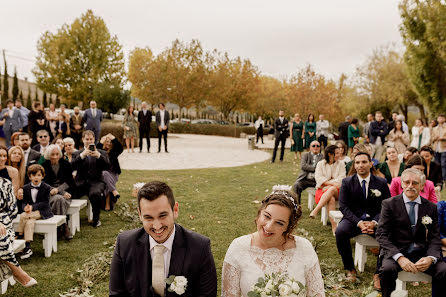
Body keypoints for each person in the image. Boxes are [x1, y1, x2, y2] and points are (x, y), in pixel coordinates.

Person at [109, 181, 217, 297]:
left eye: (162, 215)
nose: (157, 226)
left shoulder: (200, 247)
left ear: (175, 210)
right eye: (148, 218)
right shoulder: (124, 244)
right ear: (139, 214)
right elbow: (117, 294)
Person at [221, 186, 325, 297]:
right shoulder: (238, 248)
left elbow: (317, 294)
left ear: (288, 227)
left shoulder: (304, 248)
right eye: (267, 216)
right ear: (260, 212)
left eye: (279, 223)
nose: (269, 227)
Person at [376, 168, 446, 297]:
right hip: (396, 252)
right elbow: (381, 234)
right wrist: (400, 258)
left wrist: (430, 258)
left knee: (443, 269)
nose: (410, 186)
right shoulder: (389, 204)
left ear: (422, 185)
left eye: (414, 183)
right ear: (401, 184)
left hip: (422, 252)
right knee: (387, 269)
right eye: (407, 182)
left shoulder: (431, 207)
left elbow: (434, 237)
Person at [336, 152, 390, 288]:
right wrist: (359, 223)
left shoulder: (382, 182)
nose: (361, 165)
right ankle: (350, 269)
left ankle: (379, 273)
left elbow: (386, 206)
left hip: (376, 220)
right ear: (354, 165)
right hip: (354, 220)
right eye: (358, 162)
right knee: (340, 232)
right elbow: (343, 206)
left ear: (371, 163)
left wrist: (375, 222)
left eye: (364, 162)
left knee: (390, 234)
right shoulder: (347, 182)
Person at [0, 177, 37, 287]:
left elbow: (12, 209)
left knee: (2, 235)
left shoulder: (5, 183)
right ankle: (17, 271)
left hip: (4, 223)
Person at [71, 130, 110, 227]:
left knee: (95, 194)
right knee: (68, 193)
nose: (89, 141)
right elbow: (72, 167)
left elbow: (108, 166)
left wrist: (98, 156)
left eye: (91, 139)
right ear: (83, 140)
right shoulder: (77, 153)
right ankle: (68, 220)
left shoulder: (102, 153)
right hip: (80, 183)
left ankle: (96, 219)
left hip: (96, 182)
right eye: (87, 139)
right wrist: (82, 155)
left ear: (94, 139)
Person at [16, 164, 53, 259]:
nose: (36, 177)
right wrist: (25, 207)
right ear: (29, 177)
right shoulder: (26, 187)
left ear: (42, 176)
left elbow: (45, 203)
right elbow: (24, 202)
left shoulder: (46, 187)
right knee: (29, 222)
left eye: (39, 175)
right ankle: (27, 247)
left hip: (42, 212)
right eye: (33, 175)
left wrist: (32, 207)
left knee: (23, 216)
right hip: (30, 214)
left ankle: (19, 236)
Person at [310, 145, 346, 234]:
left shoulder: (341, 164)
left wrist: (328, 185)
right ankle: (334, 227)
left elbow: (341, 178)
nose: (339, 154)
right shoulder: (321, 164)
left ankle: (316, 210)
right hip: (322, 191)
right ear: (330, 154)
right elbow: (318, 178)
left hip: (338, 191)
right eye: (337, 153)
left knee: (333, 189)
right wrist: (331, 184)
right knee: (331, 199)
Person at [41, 144, 74, 239]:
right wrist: (57, 192)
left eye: (57, 154)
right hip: (49, 194)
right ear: (48, 155)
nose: (55, 157)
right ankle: (64, 226)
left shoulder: (66, 164)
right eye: (52, 154)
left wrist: (60, 191)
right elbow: (44, 183)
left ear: (60, 154)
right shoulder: (43, 166)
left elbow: (69, 182)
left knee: (59, 199)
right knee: (58, 199)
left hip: (65, 194)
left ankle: (59, 227)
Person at [292, 140, 323, 205]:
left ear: (320, 148)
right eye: (313, 146)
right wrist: (316, 168)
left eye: (317, 146)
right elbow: (303, 166)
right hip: (305, 179)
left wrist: (310, 168)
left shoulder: (322, 157)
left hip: (317, 180)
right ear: (310, 147)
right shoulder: (305, 155)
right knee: (296, 185)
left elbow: (322, 169)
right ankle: (297, 207)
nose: (315, 147)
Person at [97, 133, 123, 211]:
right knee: (105, 174)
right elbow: (96, 149)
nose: (108, 143)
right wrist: (101, 141)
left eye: (110, 142)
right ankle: (113, 191)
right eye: (106, 141)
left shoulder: (114, 152)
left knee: (106, 176)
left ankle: (108, 203)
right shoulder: (100, 152)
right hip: (102, 175)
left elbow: (120, 148)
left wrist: (114, 138)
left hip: (113, 174)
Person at [432, 114, 446, 184]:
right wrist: (435, 138)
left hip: (444, 148)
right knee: (437, 164)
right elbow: (432, 138)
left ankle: (443, 179)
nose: (440, 119)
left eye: (442, 118)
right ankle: (438, 178)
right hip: (436, 148)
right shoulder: (435, 128)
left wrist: (443, 138)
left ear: (444, 119)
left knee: (443, 164)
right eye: (439, 118)